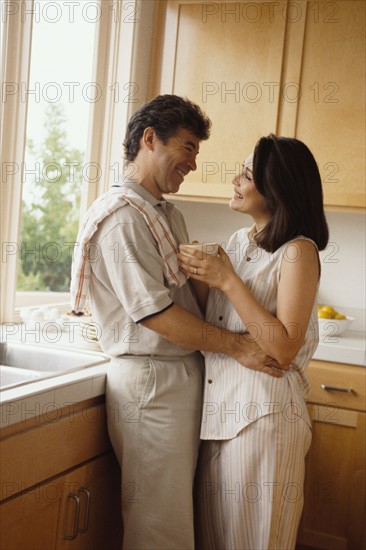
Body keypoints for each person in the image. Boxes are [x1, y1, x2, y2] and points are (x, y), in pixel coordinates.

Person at [70, 96, 283, 550]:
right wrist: (238, 346)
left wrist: (213, 274)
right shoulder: (124, 218)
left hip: (175, 379)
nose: (193, 162)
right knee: (159, 524)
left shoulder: (167, 214)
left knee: (172, 517)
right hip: (151, 384)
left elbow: (182, 299)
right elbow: (157, 316)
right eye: (187, 146)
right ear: (150, 138)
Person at [179, 134, 329, 550]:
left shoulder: (298, 252)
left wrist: (226, 279)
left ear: (277, 187)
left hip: (265, 420)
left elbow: (283, 347)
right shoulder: (237, 244)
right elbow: (214, 319)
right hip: (218, 418)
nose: (235, 180)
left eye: (246, 175)